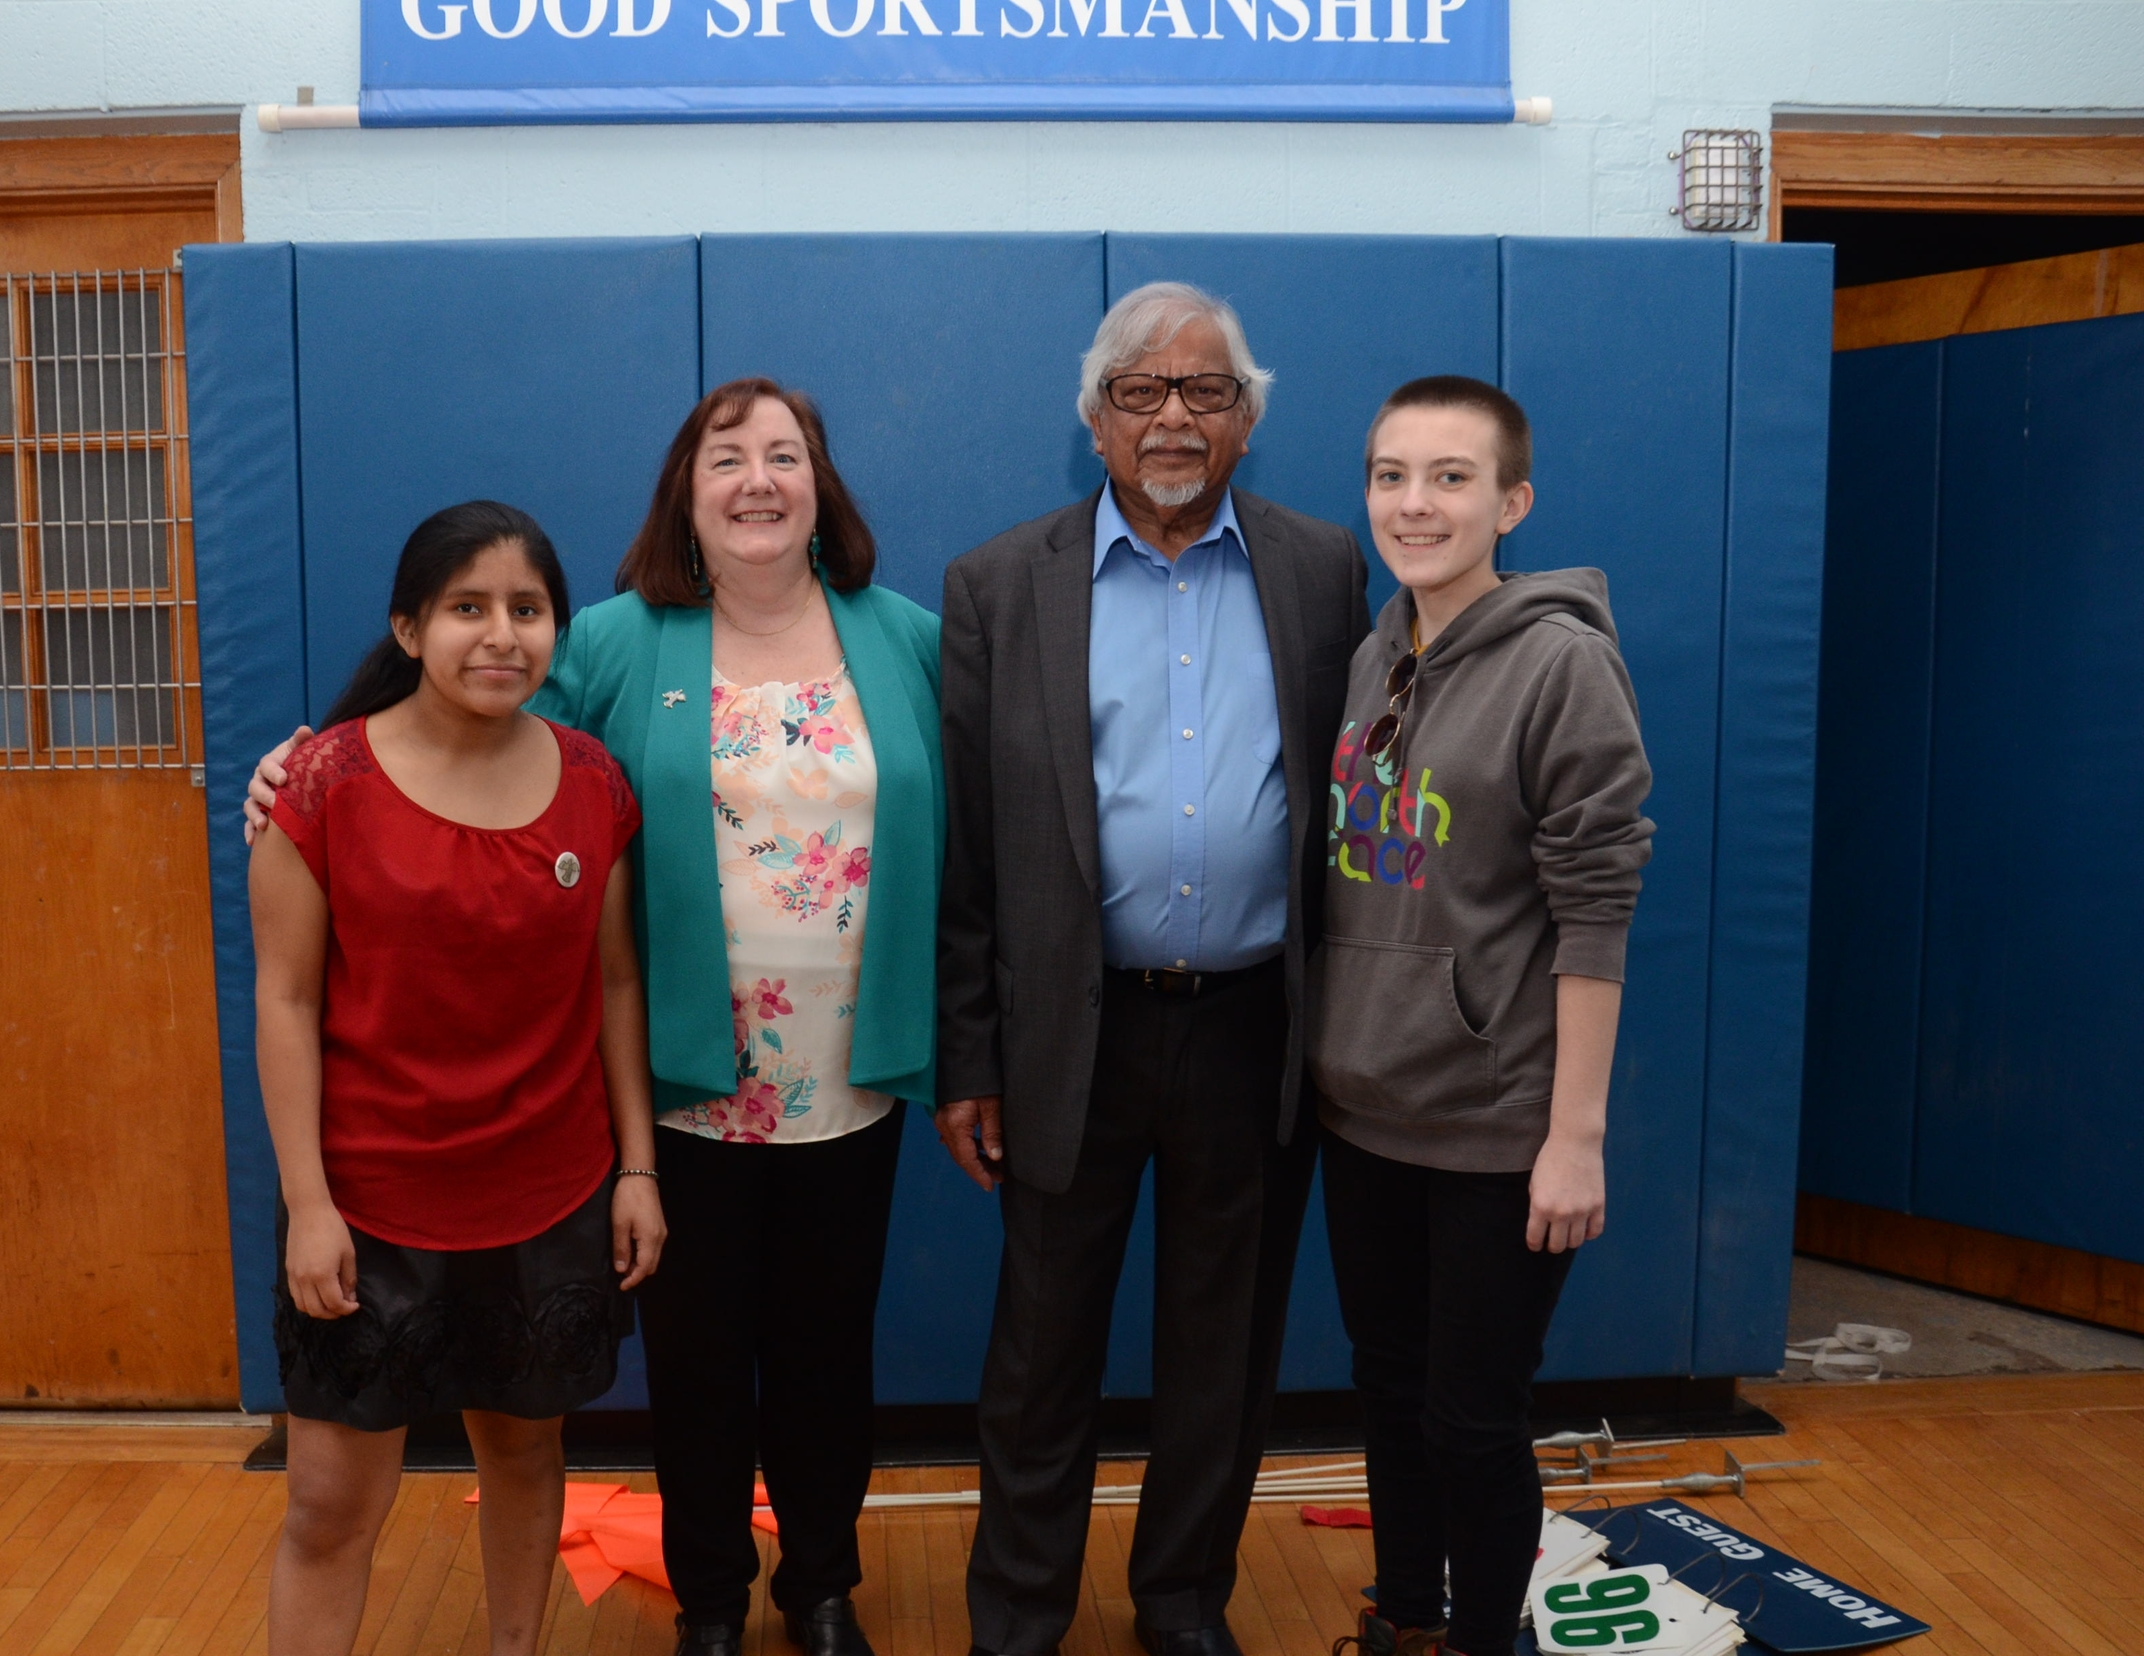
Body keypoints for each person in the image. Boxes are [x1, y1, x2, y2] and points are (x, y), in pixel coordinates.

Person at [248, 381, 944, 1656]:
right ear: (685, 493)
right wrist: (302, 767)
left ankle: (823, 1586)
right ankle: (712, 1598)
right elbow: (463, 725)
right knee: (692, 1363)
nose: (757, 480)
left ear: (821, 484)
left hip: (851, 1069)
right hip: (674, 1078)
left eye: (784, 456)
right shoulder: (620, 640)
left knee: (826, 1351)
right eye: (724, 457)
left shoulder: (906, 637)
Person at [936, 282, 1369, 1656]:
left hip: (1253, 1033)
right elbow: (967, 855)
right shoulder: (1001, 586)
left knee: (1224, 1357)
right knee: (1040, 1356)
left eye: (1204, 392)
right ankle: (1016, 1618)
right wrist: (969, 1061)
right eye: (1140, 392)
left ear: (1247, 421)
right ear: (1093, 419)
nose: (1172, 416)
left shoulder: (1323, 570)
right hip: (1073, 1036)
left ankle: (1182, 1605)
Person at [250, 500, 667, 1656]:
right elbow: (284, 1001)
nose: (500, 636)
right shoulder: (321, 785)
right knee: (331, 1503)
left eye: (526, 610)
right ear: (407, 626)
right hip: (369, 1207)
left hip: (548, 1197)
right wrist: (308, 1207)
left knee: (527, 1456)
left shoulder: (595, 784)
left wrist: (636, 1167)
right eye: (466, 608)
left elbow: (618, 986)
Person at [1317, 378, 1652, 1656]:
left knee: (1469, 1417)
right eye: (1392, 474)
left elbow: (1594, 912)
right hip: (1365, 1114)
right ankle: (1405, 1621)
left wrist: (1575, 1138)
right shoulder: (1371, 653)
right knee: (1391, 1396)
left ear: (1511, 501)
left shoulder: (1562, 663)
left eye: (1450, 477)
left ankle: (1482, 1645)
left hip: (1497, 1128)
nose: (1416, 502)